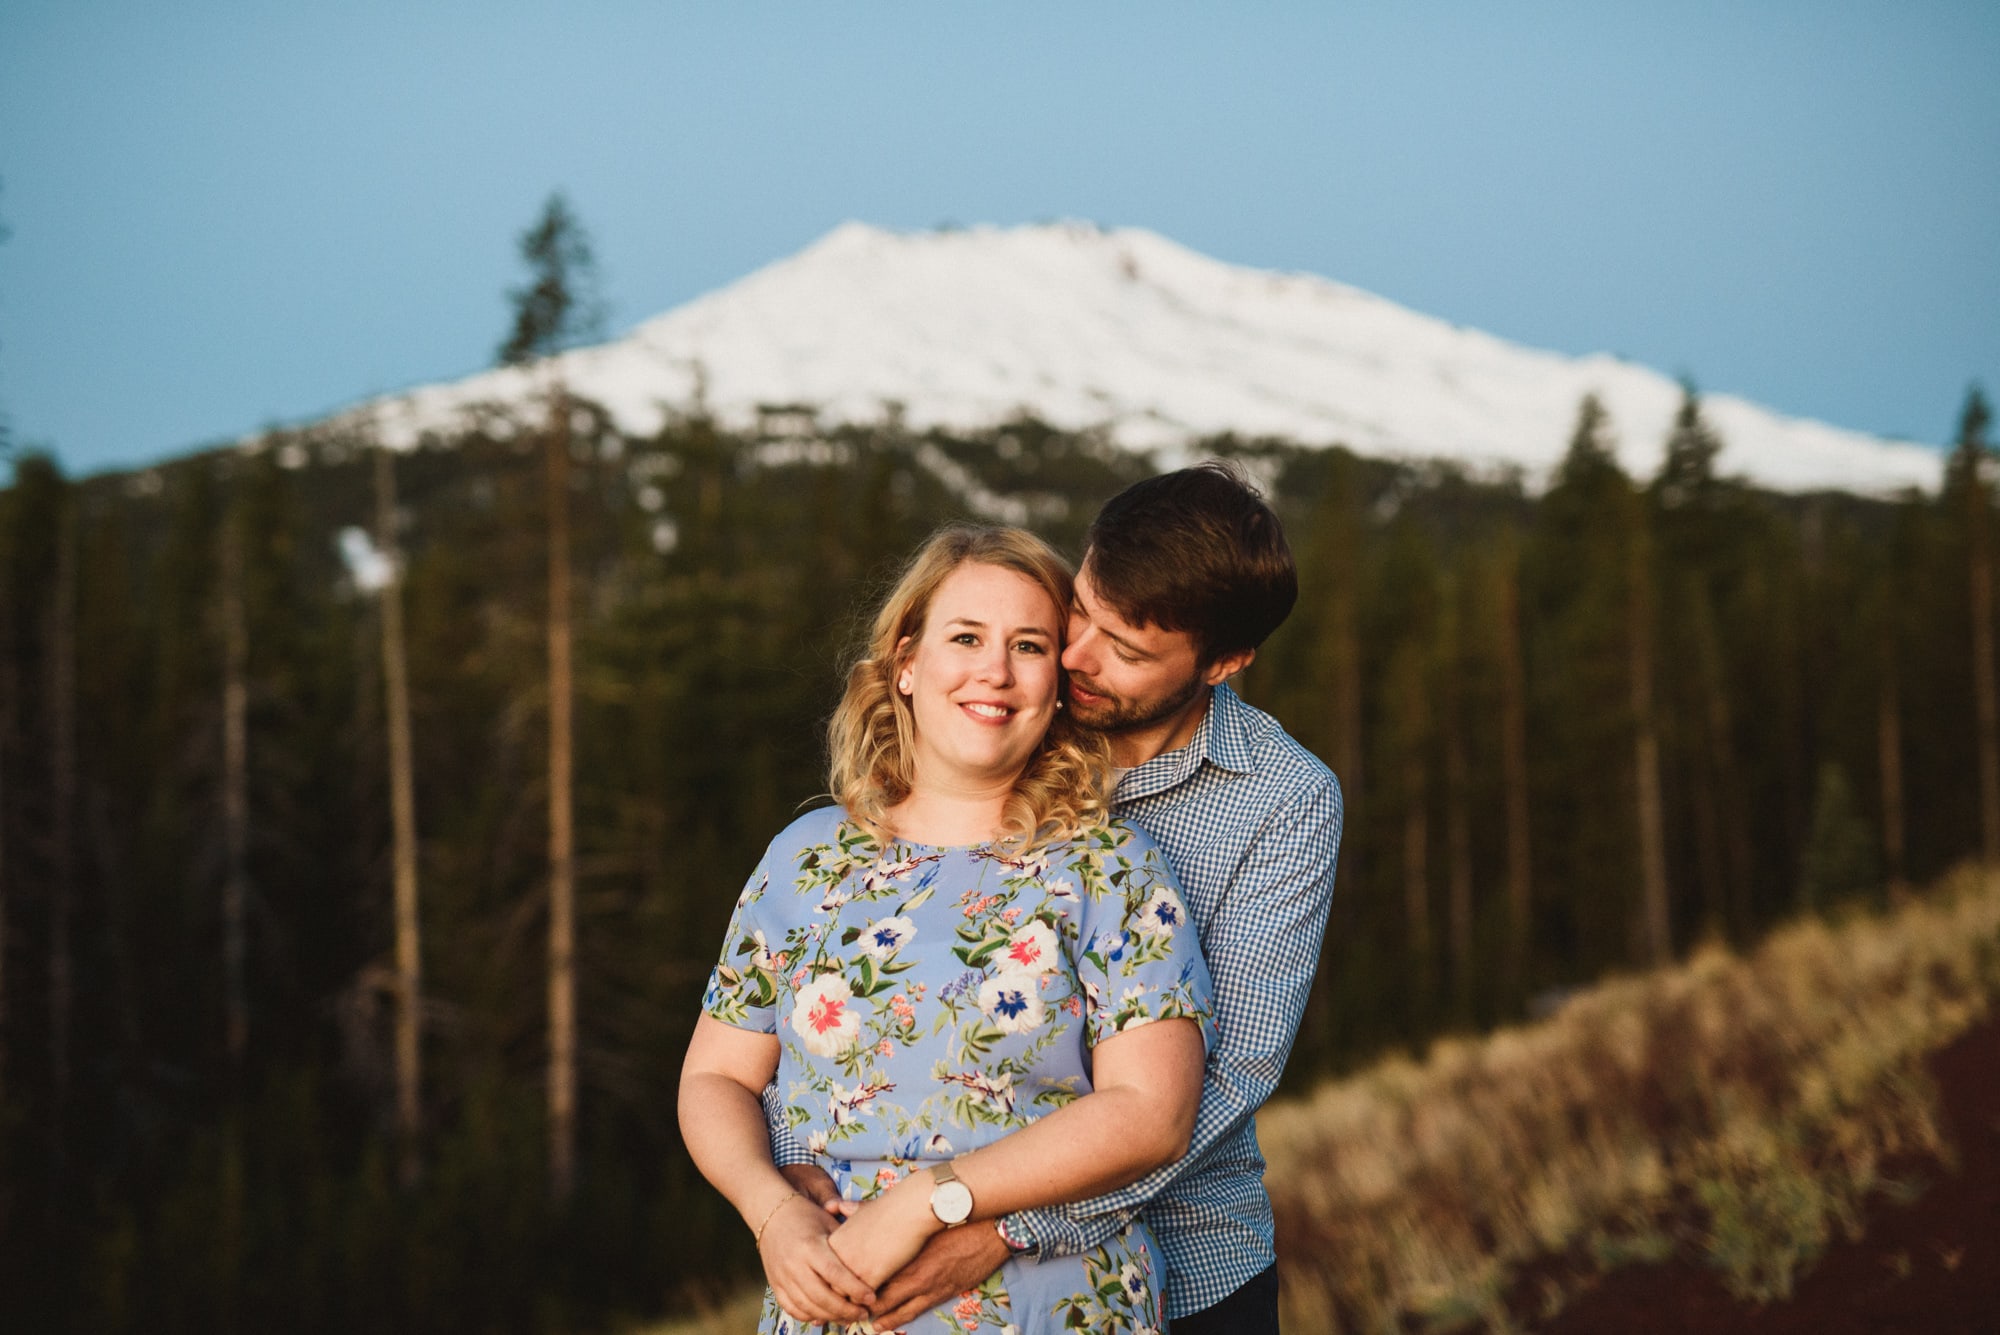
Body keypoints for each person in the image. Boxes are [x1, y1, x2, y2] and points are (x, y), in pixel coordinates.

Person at [770, 462, 1343, 1334]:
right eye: (1083, 610)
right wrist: (797, 1176)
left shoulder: (1284, 799)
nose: (1075, 656)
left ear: (1223, 663)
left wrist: (1000, 1225)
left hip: (1189, 1269)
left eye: (1128, 649)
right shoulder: (1008, 703)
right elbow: (852, 958)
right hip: (888, 1261)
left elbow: (1224, 1079)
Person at [679, 524, 1217, 1333]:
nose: (994, 671)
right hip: (832, 1300)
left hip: (1053, 1304)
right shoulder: (805, 859)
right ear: (906, 663)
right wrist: (771, 1214)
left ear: (1057, 683)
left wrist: (930, 1201)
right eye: (965, 636)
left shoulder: (1112, 866)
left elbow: (1152, 1112)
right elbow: (713, 1077)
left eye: (1029, 645)